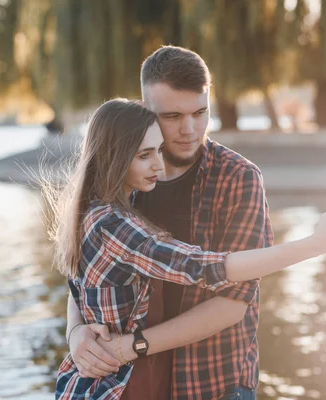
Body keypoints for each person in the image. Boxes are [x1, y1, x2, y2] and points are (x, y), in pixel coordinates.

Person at [45, 98, 326, 399]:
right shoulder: (114, 226)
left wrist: (75, 333)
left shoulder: (90, 211)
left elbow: (77, 289)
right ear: (113, 157)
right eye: (144, 156)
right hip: (118, 387)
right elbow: (208, 267)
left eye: (158, 150)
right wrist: (317, 244)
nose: (158, 164)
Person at [65, 45, 272, 400]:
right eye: (173, 116)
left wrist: (135, 346)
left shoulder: (239, 179)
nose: (190, 129)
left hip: (214, 383)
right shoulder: (122, 176)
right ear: (145, 110)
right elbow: (85, 271)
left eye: (200, 112)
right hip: (129, 383)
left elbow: (234, 302)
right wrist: (76, 333)